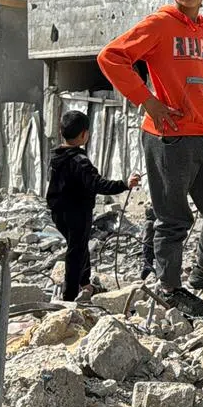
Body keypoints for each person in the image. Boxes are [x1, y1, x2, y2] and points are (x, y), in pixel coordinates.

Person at [97, 0, 203, 318]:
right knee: (173, 219)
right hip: (167, 136)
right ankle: (170, 290)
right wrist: (148, 102)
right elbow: (110, 57)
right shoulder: (160, 24)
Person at [46, 111, 140, 302]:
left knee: (79, 247)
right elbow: (98, 184)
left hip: (58, 212)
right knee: (76, 251)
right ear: (84, 134)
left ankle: (85, 283)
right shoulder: (80, 162)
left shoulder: (56, 157)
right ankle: (70, 296)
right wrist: (124, 184)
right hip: (78, 212)